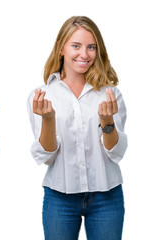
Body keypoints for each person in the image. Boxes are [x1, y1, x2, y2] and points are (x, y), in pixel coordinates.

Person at [27, 16, 127, 240]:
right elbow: (47, 155)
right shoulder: (43, 95)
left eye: (91, 47)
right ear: (61, 48)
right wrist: (49, 119)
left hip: (107, 197)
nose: (84, 54)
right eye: (76, 46)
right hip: (59, 199)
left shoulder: (110, 93)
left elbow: (116, 152)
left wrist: (108, 123)